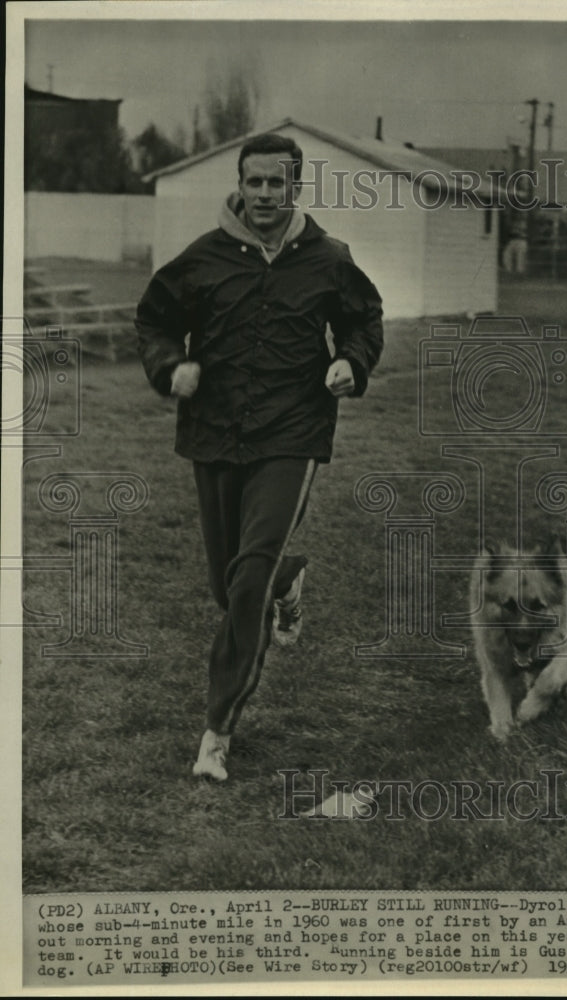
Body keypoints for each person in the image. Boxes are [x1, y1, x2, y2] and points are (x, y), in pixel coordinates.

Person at [136, 131, 383, 781]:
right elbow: (155, 320)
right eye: (255, 182)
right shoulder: (205, 257)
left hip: (290, 432)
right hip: (213, 434)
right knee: (229, 584)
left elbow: (363, 320)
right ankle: (287, 579)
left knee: (244, 582)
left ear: (295, 187)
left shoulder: (328, 258)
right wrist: (170, 367)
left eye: (277, 183)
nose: (265, 194)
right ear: (239, 185)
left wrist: (349, 363)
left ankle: (216, 730)